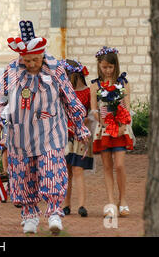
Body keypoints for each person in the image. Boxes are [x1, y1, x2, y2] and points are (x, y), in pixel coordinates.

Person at [0, 20, 90, 235]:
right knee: (24, 175)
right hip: (21, 136)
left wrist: (80, 126)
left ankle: (54, 212)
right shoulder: (12, 72)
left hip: (50, 131)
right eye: (27, 60)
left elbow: (70, 99)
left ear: (42, 55)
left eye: (35, 59)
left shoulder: (55, 70)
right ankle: (30, 215)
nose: (32, 64)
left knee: (52, 169)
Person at [90, 46, 134, 219]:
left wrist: (123, 124)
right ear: (99, 66)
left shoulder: (123, 83)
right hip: (104, 130)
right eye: (104, 67)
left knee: (120, 165)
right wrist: (101, 120)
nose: (107, 70)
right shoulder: (95, 85)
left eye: (110, 67)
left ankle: (123, 201)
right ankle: (110, 202)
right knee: (107, 167)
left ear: (116, 65)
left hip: (121, 129)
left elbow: (127, 106)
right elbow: (93, 109)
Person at [60, 59, 94, 218]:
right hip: (66, 135)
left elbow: (91, 114)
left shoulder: (87, 92)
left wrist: (82, 121)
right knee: (67, 170)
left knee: (78, 169)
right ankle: (66, 204)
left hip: (81, 135)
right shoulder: (65, 94)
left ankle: (82, 205)